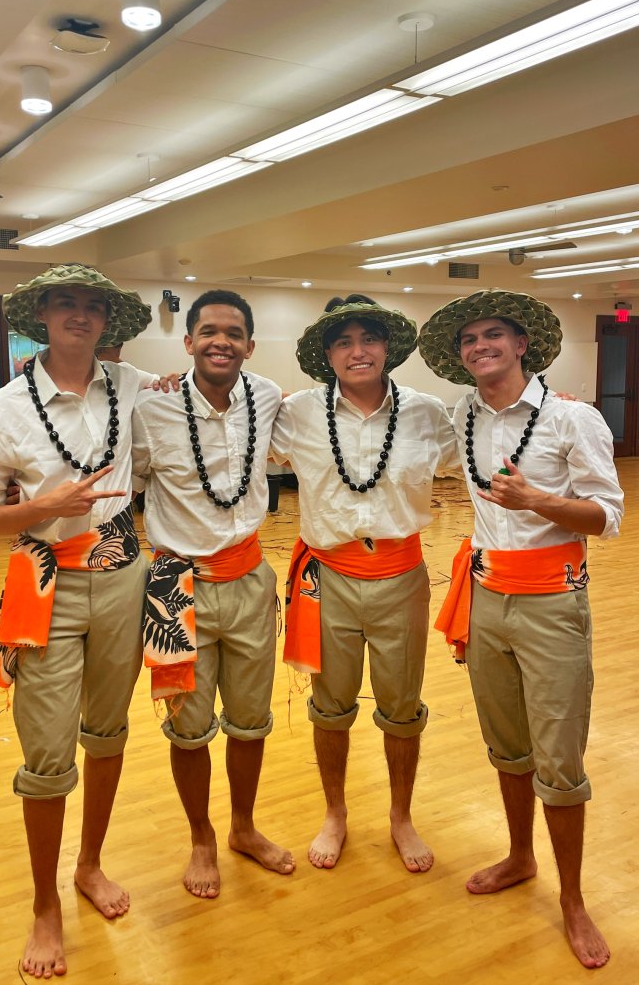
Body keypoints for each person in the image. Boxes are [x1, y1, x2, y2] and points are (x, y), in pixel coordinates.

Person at [419, 289, 623, 969]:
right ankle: (519, 856)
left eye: (493, 335)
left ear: (521, 345)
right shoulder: (463, 414)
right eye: (470, 339)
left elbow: (608, 516)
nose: (481, 346)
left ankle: (573, 900)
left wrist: (539, 500)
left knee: (558, 760)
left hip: (553, 605)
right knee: (506, 745)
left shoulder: (571, 417)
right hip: (486, 598)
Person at [0, 263, 153, 979]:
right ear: (41, 317)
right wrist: (44, 507)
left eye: (92, 306)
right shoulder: (5, 409)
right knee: (46, 753)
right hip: (45, 584)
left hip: (124, 576)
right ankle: (44, 904)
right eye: (65, 303)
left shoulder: (132, 386)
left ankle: (90, 864)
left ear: (107, 322)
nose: (80, 314)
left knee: (107, 732)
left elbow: (189, 394)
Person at [270, 295, 457, 873]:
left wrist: (552, 405)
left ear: (387, 348)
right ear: (327, 355)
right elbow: (231, 433)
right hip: (328, 579)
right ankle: (335, 812)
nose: (358, 351)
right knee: (330, 707)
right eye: (344, 342)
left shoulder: (427, 413)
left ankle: (401, 816)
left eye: (369, 339)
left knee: (402, 707)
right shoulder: (296, 413)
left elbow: (481, 451)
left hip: (402, 578)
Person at [132, 289, 294, 900]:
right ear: (188, 342)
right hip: (175, 590)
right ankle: (201, 837)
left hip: (250, 581)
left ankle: (243, 828)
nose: (220, 341)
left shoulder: (269, 397)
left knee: (250, 723)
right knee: (189, 728)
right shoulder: (152, 408)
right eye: (208, 331)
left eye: (232, 333)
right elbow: (124, 477)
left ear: (250, 345)